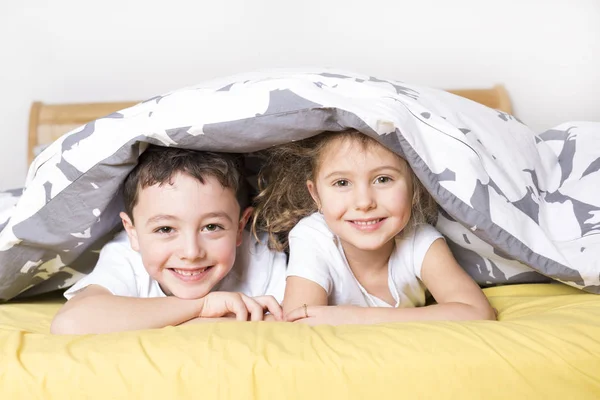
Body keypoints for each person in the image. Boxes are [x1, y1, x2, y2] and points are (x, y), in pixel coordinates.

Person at [253, 129, 496, 325]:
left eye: (383, 179)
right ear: (316, 194)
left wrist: (356, 316)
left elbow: (478, 312)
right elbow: (299, 320)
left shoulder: (419, 240)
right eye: (342, 182)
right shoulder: (312, 236)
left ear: (414, 185)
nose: (364, 202)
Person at [51, 145, 286, 334]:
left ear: (240, 227)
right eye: (165, 229)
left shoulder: (262, 255)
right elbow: (70, 323)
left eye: (212, 227)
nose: (191, 252)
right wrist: (202, 307)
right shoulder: (126, 257)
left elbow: (293, 326)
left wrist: (192, 322)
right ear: (133, 233)